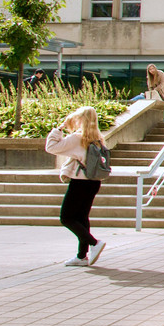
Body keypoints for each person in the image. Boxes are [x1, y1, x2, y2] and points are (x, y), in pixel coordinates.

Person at [45, 106, 107, 267]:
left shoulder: (77, 138)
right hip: (94, 182)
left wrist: (59, 128)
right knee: (81, 217)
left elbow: (51, 147)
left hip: (79, 182)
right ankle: (81, 255)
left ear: (80, 120)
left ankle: (94, 243)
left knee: (66, 217)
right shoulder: (98, 139)